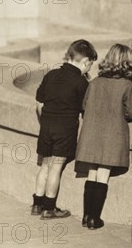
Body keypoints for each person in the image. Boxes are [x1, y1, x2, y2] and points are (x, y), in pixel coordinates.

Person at [75, 44, 132, 229]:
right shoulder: (126, 85)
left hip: (91, 134)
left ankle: (86, 216)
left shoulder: (95, 82)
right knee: (103, 174)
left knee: (92, 173)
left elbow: (84, 105)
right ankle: (95, 218)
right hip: (112, 136)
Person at [31, 39, 98, 219]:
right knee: (56, 167)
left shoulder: (51, 75)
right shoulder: (80, 82)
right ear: (86, 62)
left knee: (45, 165)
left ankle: (37, 204)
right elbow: (86, 110)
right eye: (89, 65)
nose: (88, 69)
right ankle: (49, 208)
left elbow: (39, 103)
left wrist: (44, 122)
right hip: (65, 129)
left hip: (46, 125)